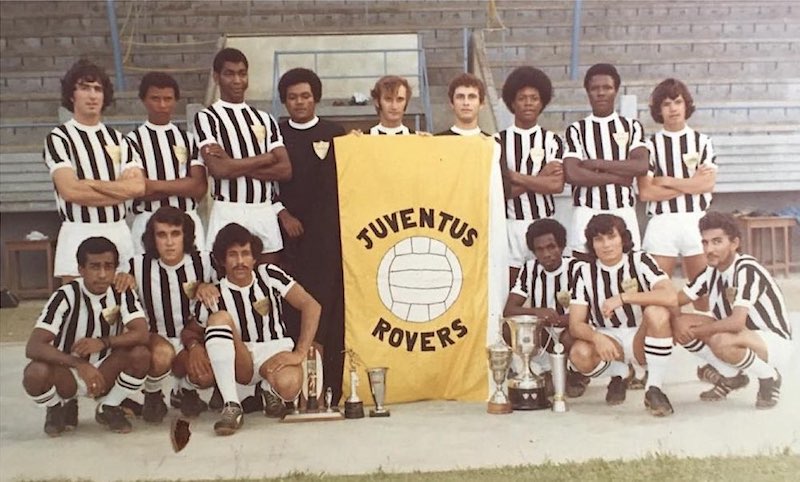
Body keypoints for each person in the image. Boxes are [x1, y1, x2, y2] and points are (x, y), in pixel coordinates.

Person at [185, 223, 321, 435]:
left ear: (255, 257)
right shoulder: (213, 293)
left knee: (289, 385)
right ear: (222, 259)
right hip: (242, 357)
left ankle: (268, 389)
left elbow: (311, 305)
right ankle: (232, 405)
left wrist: (300, 352)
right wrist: (194, 347)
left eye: (246, 254)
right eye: (233, 255)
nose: (240, 262)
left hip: (274, 350)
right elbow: (191, 331)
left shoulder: (269, 274)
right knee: (219, 317)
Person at [22, 237, 150, 435]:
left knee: (141, 354)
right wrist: (79, 364)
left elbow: (142, 333)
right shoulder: (65, 295)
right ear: (81, 269)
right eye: (94, 267)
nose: (101, 274)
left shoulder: (121, 293)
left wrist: (103, 342)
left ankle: (109, 406)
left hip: (105, 368)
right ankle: (57, 408)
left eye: (108, 267)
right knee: (34, 373)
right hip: (68, 371)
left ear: (116, 268)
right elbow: (34, 346)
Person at [275, 68, 347, 404]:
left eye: (305, 95)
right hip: (289, 240)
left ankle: (331, 386)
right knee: (293, 306)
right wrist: (281, 212)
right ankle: (294, 385)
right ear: (284, 101)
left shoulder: (336, 133)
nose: (299, 102)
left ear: (315, 97)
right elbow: (262, 183)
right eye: (292, 97)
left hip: (328, 238)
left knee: (330, 309)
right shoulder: (275, 134)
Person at [673, 212, 791, 408]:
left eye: (717, 242)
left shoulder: (746, 269)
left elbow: (736, 322)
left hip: (772, 341)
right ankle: (730, 376)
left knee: (721, 339)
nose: (709, 249)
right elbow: (677, 300)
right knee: (679, 322)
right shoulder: (710, 271)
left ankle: (769, 376)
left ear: (734, 243)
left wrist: (695, 333)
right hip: (736, 335)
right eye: (705, 242)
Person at [45, 59, 145, 282]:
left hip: (117, 230)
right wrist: (119, 190)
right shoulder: (59, 138)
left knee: (121, 308)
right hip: (78, 232)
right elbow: (71, 191)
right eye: (84, 88)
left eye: (97, 89)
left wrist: (90, 183)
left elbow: (138, 187)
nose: (92, 95)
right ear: (72, 95)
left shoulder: (120, 140)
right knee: (79, 310)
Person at [568, 214, 678, 417]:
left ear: (623, 238)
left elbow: (670, 296)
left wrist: (624, 298)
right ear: (592, 244)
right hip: (609, 338)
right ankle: (622, 372)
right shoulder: (584, 272)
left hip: (641, 335)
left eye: (611, 237)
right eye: (599, 239)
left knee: (657, 312)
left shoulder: (640, 260)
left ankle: (654, 388)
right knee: (579, 354)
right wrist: (596, 337)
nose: (606, 244)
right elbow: (575, 324)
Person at [194, 48, 291, 265]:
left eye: (242, 73)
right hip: (229, 208)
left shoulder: (264, 118)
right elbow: (219, 170)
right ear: (216, 77)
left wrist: (232, 163)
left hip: (262, 208)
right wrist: (266, 158)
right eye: (230, 74)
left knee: (268, 278)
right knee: (227, 276)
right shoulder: (207, 118)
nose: (237, 80)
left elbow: (285, 170)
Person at [127, 206, 219, 422]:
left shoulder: (204, 262)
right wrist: (122, 280)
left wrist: (209, 286)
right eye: (162, 235)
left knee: (205, 375)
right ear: (153, 237)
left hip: (190, 338)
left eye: (175, 234)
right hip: (155, 339)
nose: (169, 242)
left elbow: (223, 293)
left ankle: (186, 391)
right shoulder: (138, 265)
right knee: (162, 353)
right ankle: (153, 393)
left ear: (185, 236)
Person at [563, 63, 649, 260]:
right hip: (586, 211)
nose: (601, 93)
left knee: (628, 273)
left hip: (622, 210)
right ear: (588, 92)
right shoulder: (576, 129)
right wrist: (620, 177)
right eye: (595, 88)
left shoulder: (632, 126)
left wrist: (596, 163)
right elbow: (572, 173)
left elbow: (641, 166)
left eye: (607, 88)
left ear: (616, 90)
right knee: (585, 273)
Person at [503, 219, 589, 397]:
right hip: (544, 333)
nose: (547, 254)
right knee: (508, 328)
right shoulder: (529, 269)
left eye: (551, 247)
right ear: (533, 252)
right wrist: (536, 312)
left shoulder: (578, 268)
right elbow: (510, 309)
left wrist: (558, 319)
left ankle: (574, 373)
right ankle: (544, 373)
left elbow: (590, 313)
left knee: (573, 332)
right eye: (540, 250)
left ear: (562, 246)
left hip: (569, 330)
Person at [496, 66, 565, 285]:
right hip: (510, 225)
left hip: (544, 223)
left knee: (546, 287)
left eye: (534, 98)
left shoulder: (552, 140)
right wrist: (540, 176)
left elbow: (556, 185)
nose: (528, 103)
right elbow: (501, 192)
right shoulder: (497, 142)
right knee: (510, 288)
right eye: (522, 98)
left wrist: (515, 176)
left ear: (541, 102)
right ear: (512, 103)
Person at [128, 72, 207, 254]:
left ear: (175, 100)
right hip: (148, 221)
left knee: (192, 278)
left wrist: (154, 185)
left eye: (168, 99)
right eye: (155, 98)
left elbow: (199, 187)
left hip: (187, 219)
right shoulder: (131, 141)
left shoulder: (189, 139)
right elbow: (140, 190)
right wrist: (182, 184)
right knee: (149, 279)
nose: (162, 105)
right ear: (143, 100)